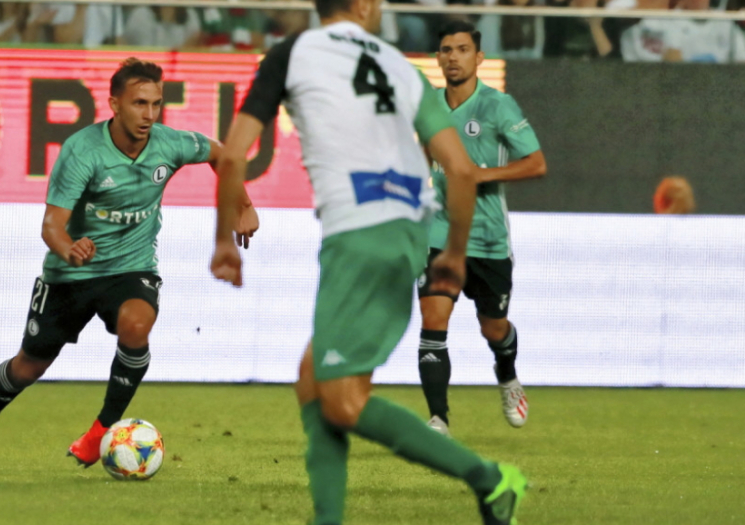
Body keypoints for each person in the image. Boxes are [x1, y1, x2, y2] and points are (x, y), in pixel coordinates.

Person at [210, 1, 527, 524]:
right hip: (408, 231)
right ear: (362, 5)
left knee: (341, 399)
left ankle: (489, 480)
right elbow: (461, 170)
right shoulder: (400, 65)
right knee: (313, 379)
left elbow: (233, 152)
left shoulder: (293, 53)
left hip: (358, 234)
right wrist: (453, 252)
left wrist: (224, 237)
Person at [0, 57, 259, 473]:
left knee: (137, 324)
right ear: (115, 104)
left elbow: (222, 154)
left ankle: (101, 430)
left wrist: (243, 203)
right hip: (71, 273)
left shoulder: (169, 144)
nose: (149, 115)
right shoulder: (82, 151)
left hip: (131, 267)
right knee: (30, 365)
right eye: (139, 103)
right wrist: (69, 249)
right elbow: (51, 226)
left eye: (156, 104)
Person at [416, 21, 546, 436]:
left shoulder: (498, 106)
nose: (453, 57)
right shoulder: (428, 107)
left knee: (494, 327)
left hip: (488, 240)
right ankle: (438, 420)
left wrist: (479, 175)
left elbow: (536, 163)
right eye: (446, 50)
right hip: (439, 235)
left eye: (462, 49)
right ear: (438, 58)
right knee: (433, 318)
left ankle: (507, 374)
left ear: (479, 58)